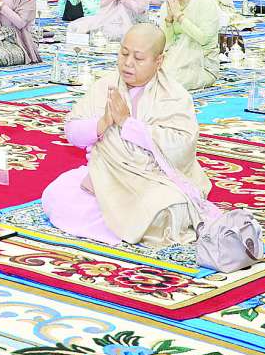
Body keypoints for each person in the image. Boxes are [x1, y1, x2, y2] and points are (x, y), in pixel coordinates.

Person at [42, 23, 210, 248]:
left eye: (138, 58)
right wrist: (102, 123)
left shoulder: (175, 96)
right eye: (123, 53)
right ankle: (127, 227)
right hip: (106, 177)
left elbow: (182, 147)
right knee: (57, 195)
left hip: (153, 180)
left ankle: (126, 224)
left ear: (158, 61)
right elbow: (72, 131)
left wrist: (127, 124)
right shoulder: (106, 86)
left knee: (169, 209)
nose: (128, 63)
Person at [157, 0, 222, 90]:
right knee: (147, 76)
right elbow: (166, 43)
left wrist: (179, 16)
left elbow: (204, 39)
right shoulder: (168, 4)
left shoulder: (205, 1)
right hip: (174, 58)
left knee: (167, 82)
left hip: (202, 65)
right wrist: (169, 19)